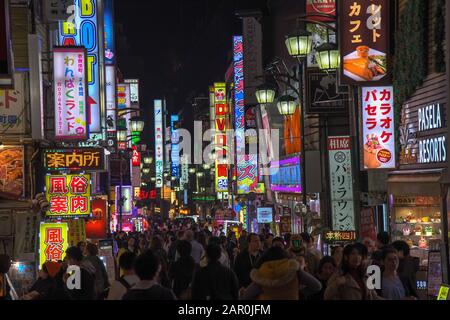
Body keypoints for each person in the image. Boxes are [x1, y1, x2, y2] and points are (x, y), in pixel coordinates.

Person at [241, 247, 322, 300]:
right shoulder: (293, 270)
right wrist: (298, 292)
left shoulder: (262, 273)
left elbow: (247, 296)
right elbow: (317, 286)